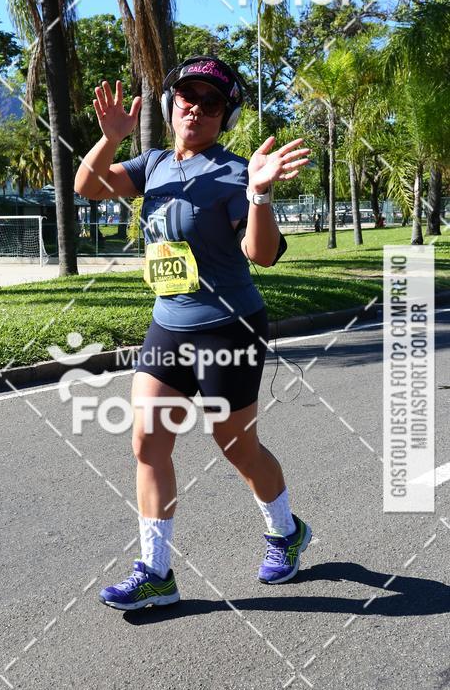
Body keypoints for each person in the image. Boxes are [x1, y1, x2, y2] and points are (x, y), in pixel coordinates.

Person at [75, 55, 313, 611]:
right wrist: (109, 139)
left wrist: (259, 194)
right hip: (167, 323)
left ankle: (286, 532)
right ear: (170, 104)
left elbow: (262, 254)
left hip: (228, 328)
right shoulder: (152, 164)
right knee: (147, 443)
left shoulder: (235, 172)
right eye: (187, 97)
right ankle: (156, 572)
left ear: (224, 116)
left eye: (211, 103)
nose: (196, 109)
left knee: (236, 446)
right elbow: (90, 186)